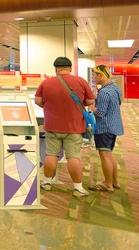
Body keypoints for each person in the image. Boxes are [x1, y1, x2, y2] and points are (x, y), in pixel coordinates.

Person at [35, 57, 95, 198]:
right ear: (70, 67)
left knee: (51, 155)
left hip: (52, 125)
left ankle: (47, 182)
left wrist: (48, 107)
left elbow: (38, 100)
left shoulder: (47, 82)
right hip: (74, 126)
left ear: (55, 68)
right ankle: (77, 188)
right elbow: (91, 100)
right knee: (73, 157)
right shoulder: (80, 81)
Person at [88, 65, 124, 192]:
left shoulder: (104, 92)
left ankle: (108, 184)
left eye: (94, 75)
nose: (93, 77)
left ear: (101, 75)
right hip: (114, 125)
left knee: (104, 155)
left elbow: (100, 113)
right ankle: (115, 181)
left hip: (104, 127)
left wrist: (90, 105)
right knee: (109, 154)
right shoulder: (115, 88)